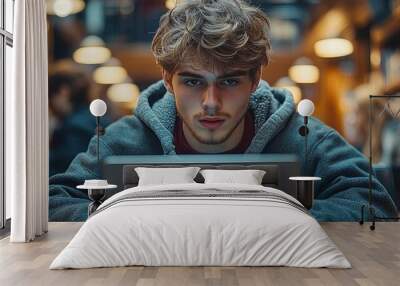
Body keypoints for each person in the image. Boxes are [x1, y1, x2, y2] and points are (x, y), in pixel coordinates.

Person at [49, 0, 397, 221]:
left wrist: (274, 218)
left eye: (229, 82)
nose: (211, 102)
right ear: (168, 80)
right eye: (193, 82)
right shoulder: (124, 139)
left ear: (255, 79)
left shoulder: (303, 136)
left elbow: (376, 205)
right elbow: (53, 203)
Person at [49, 69, 112, 176]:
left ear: (63, 92)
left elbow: (66, 171)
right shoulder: (98, 120)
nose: (49, 106)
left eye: (50, 97)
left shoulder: (73, 127)